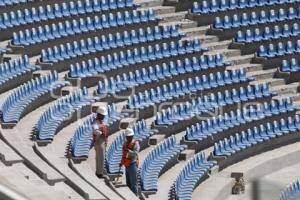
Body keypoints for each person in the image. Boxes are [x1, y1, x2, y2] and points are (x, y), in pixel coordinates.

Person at [119, 128, 140, 196]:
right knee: (128, 183)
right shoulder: (125, 144)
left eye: (130, 136)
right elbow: (124, 155)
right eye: (128, 137)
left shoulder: (135, 144)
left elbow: (135, 153)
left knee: (133, 183)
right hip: (127, 165)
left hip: (132, 164)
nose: (129, 138)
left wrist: (128, 151)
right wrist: (121, 162)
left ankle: (134, 196)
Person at [92, 106, 108, 179]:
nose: (104, 116)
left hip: (103, 140)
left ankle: (99, 171)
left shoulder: (102, 121)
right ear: (99, 114)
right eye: (103, 115)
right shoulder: (96, 122)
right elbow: (95, 131)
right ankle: (99, 173)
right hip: (99, 141)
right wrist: (101, 133)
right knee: (100, 157)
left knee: (101, 157)